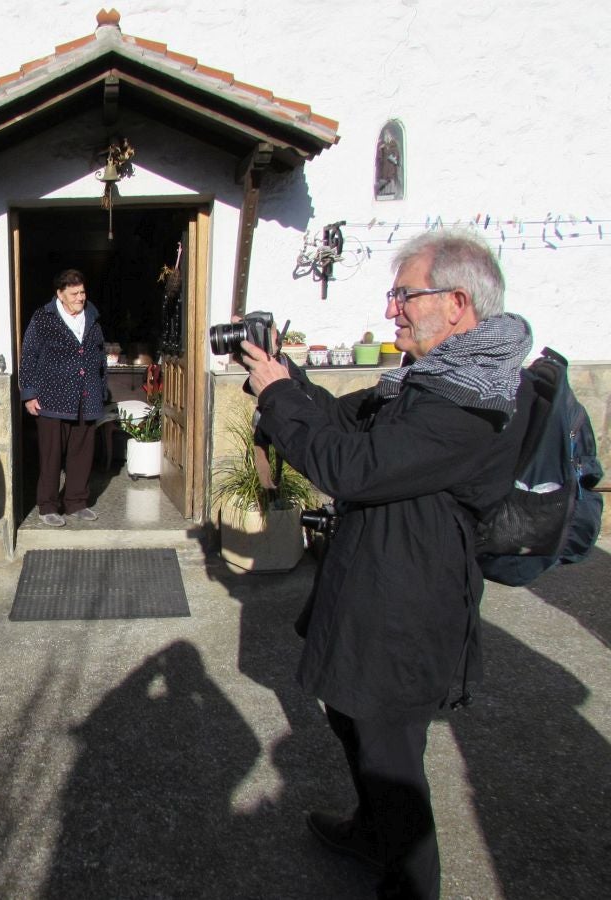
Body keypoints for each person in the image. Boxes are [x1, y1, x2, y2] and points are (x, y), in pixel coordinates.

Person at [236, 230, 533, 899]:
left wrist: (280, 396)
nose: (392, 309)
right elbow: (345, 421)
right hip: (376, 585)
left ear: (457, 304)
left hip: (408, 608)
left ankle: (409, 882)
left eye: (405, 295)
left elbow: (350, 465)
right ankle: (374, 833)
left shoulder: (473, 400)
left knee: (392, 758)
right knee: (350, 717)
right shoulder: (430, 382)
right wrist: (288, 380)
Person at [19, 268, 108, 526]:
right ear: (60, 294)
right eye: (74, 293)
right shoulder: (43, 318)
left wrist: (101, 390)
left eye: (82, 292)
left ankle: (76, 503)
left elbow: (100, 356)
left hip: (86, 396)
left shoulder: (92, 317)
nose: (80, 298)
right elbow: (29, 356)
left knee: (82, 454)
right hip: (51, 397)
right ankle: (47, 506)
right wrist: (29, 394)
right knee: (51, 455)